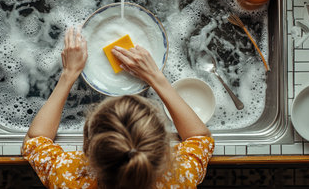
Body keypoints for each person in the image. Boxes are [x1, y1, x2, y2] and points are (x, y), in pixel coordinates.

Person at [22, 27, 214, 189]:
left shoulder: (67, 177)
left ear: (87, 151)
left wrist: (69, 74)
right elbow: (199, 137)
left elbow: (35, 140)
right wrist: (156, 77)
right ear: (165, 151)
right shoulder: (180, 178)